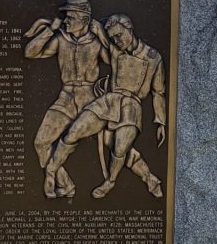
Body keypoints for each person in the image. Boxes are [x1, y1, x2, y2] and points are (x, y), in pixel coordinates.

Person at [44, 13, 166, 200]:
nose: (116, 41)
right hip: (108, 101)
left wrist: (161, 122)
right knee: (74, 130)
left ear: (130, 29)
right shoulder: (114, 50)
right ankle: (51, 170)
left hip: (131, 106)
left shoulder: (153, 57)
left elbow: (158, 92)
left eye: (119, 35)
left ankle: (111, 181)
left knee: (119, 149)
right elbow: (92, 24)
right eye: (113, 38)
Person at [23, 0, 108, 199]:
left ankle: (52, 173)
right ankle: (66, 184)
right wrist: (49, 30)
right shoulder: (61, 39)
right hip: (66, 98)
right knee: (41, 142)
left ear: (84, 19)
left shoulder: (96, 42)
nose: (66, 21)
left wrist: (102, 34)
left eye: (70, 17)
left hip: (90, 100)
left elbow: (116, 61)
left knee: (112, 144)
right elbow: (30, 53)